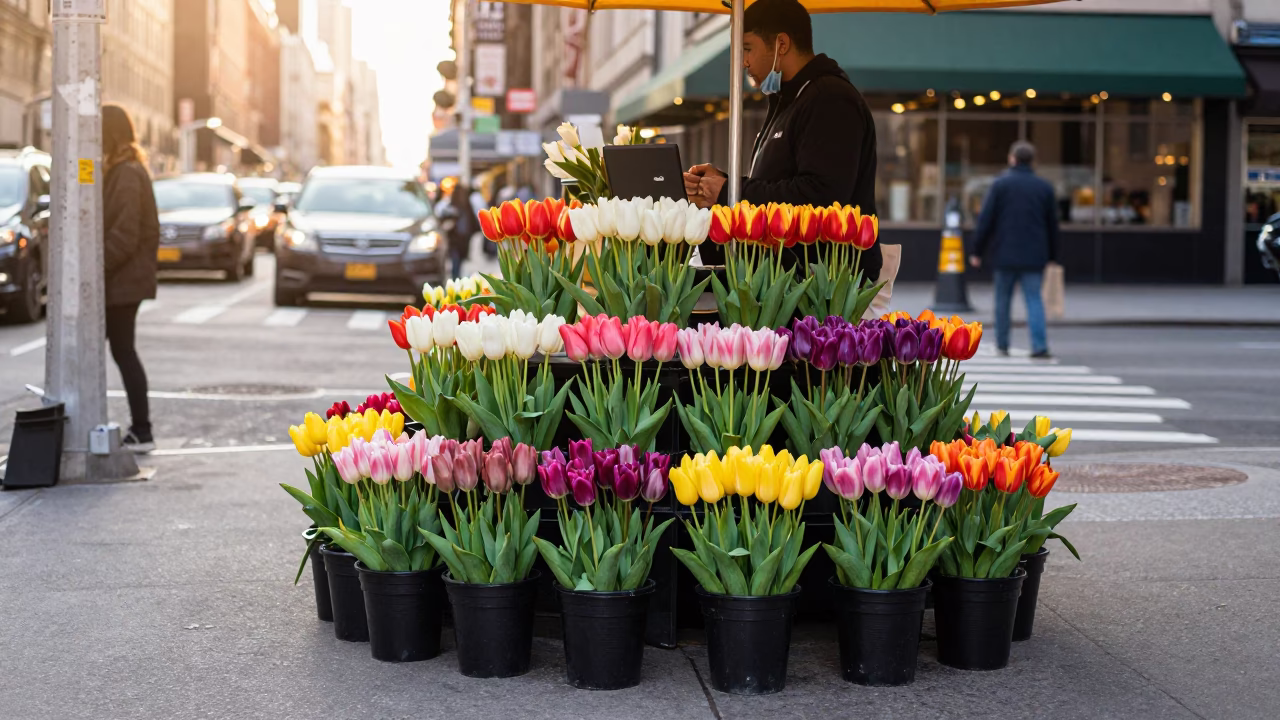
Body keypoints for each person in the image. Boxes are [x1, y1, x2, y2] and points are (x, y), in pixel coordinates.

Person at [683, 0, 881, 283]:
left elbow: (820, 195)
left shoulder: (829, 99)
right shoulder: (789, 99)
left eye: (747, 48)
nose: (743, 62)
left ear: (782, 44)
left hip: (822, 287)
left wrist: (729, 192)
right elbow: (777, 184)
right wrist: (721, 185)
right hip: (787, 277)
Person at [101, 104, 160, 452]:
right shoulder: (122, 170)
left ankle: (142, 428)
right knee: (122, 350)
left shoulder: (126, 174)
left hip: (123, 281)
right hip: (122, 280)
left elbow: (125, 234)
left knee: (123, 350)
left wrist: (96, 268)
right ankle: (141, 427)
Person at [969, 141, 1058, 359]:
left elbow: (986, 220)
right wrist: (1053, 256)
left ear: (1012, 159)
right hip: (1034, 255)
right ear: (1032, 161)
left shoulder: (1000, 185)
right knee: (1034, 299)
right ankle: (1039, 346)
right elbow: (1052, 225)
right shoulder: (1044, 187)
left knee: (1002, 300)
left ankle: (1002, 344)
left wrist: (976, 251)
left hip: (1004, 253)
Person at [446, 180, 478, 279]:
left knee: (456, 261)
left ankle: (456, 279)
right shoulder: (467, 206)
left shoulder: (451, 207)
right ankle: (458, 279)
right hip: (464, 239)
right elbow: (473, 223)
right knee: (460, 261)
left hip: (455, 240)